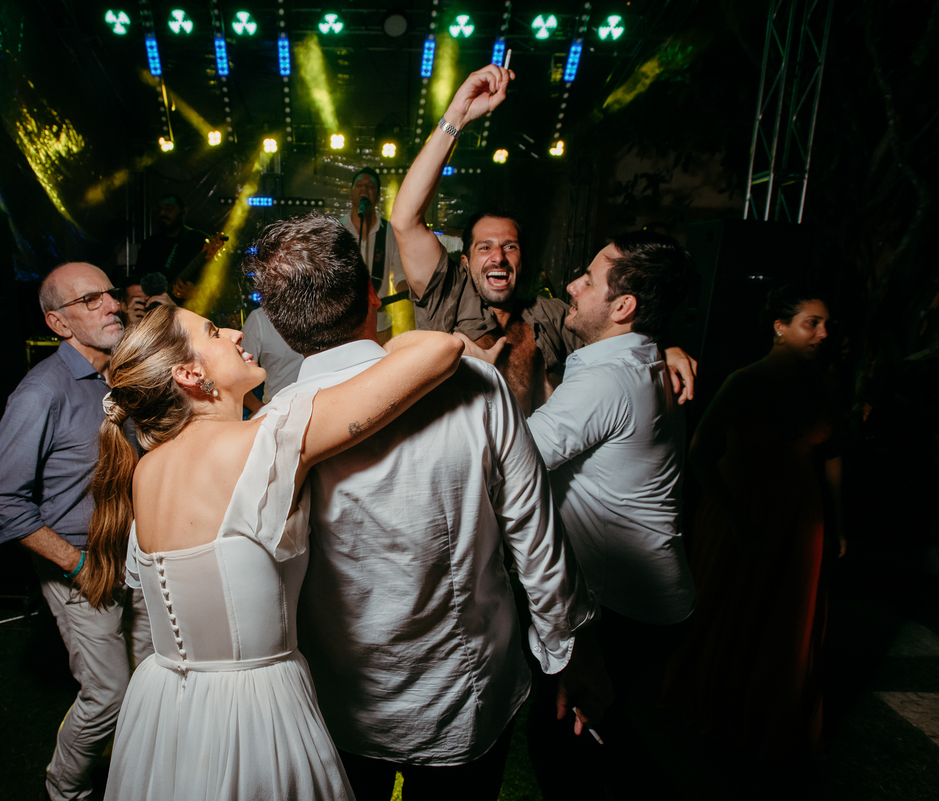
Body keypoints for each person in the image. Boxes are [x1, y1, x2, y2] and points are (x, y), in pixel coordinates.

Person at [251, 213, 607, 800]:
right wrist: (569, 656)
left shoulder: (271, 428)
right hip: (465, 695)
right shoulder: (475, 383)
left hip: (340, 702)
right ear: (373, 295)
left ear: (281, 329)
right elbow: (535, 536)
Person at [78, 299, 463, 800]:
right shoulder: (263, 439)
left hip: (165, 699)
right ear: (190, 374)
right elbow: (440, 349)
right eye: (214, 332)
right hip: (252, 705)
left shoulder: (148, 468)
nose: (236, 332)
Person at [391, 64, 698, 414]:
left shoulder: (550, 315)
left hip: (536, 450)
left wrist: (662, 350)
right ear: (465, 261)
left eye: (509, 246)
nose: (498, 257)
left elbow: (616, 327)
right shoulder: (448, 294)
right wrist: (457, 116)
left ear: (522, 259)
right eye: (484, 247)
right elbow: (404, 219)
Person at [514, 231, 697, 800]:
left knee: (566, 748)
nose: (572, 285)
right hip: (650, 602)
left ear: (623, 307)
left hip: (621, 606)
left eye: (588, 279)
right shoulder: (642, 359)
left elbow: (510, 465)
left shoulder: (607, 378)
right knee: (604, 739)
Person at [0, 262, 151, 801]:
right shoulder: (41, 392)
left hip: (135, 554)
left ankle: (136, 778)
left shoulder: (119, 375)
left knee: (151, 681)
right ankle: (65, 790)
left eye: (109, 294)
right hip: (79, 562)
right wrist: (78, 566)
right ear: (59, 323)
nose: (111, 305)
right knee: (109, 694)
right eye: (90, 299)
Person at [663, 285, 845, 764]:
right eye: (812, 323)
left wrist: (837, 522)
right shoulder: (745, 381)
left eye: (827, 325)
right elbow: (699, 453)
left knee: (787, 617)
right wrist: (734, 521)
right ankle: (713, 710)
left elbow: (832, 458)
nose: (824, 334)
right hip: (742, 506)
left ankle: (770, 717)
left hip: (801, 515)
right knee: (731, 606)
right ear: (780, 327)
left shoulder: (825, 386)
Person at [341, 167, 406, 343]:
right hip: (343, 326)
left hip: (380, 325)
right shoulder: (337, 230)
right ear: (351, 193)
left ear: (377, 197)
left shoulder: (389, 231)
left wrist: (413, 292)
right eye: (359, 185)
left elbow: (400, 277)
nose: (364, 189)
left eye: (370, 186)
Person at [239, 306, 303, 415]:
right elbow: (237, 378)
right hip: (281, 414)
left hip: (324, 408)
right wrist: (265, 414)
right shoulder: (260, 319)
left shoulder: (323, 310)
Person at [133, 194, 208, 285]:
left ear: (184, 212)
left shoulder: (199, 240)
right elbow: (137, 280)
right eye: (159, 209)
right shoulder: (149, 245)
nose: (162, 213)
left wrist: (196, 291)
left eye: (169, 209)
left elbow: (215, 279)